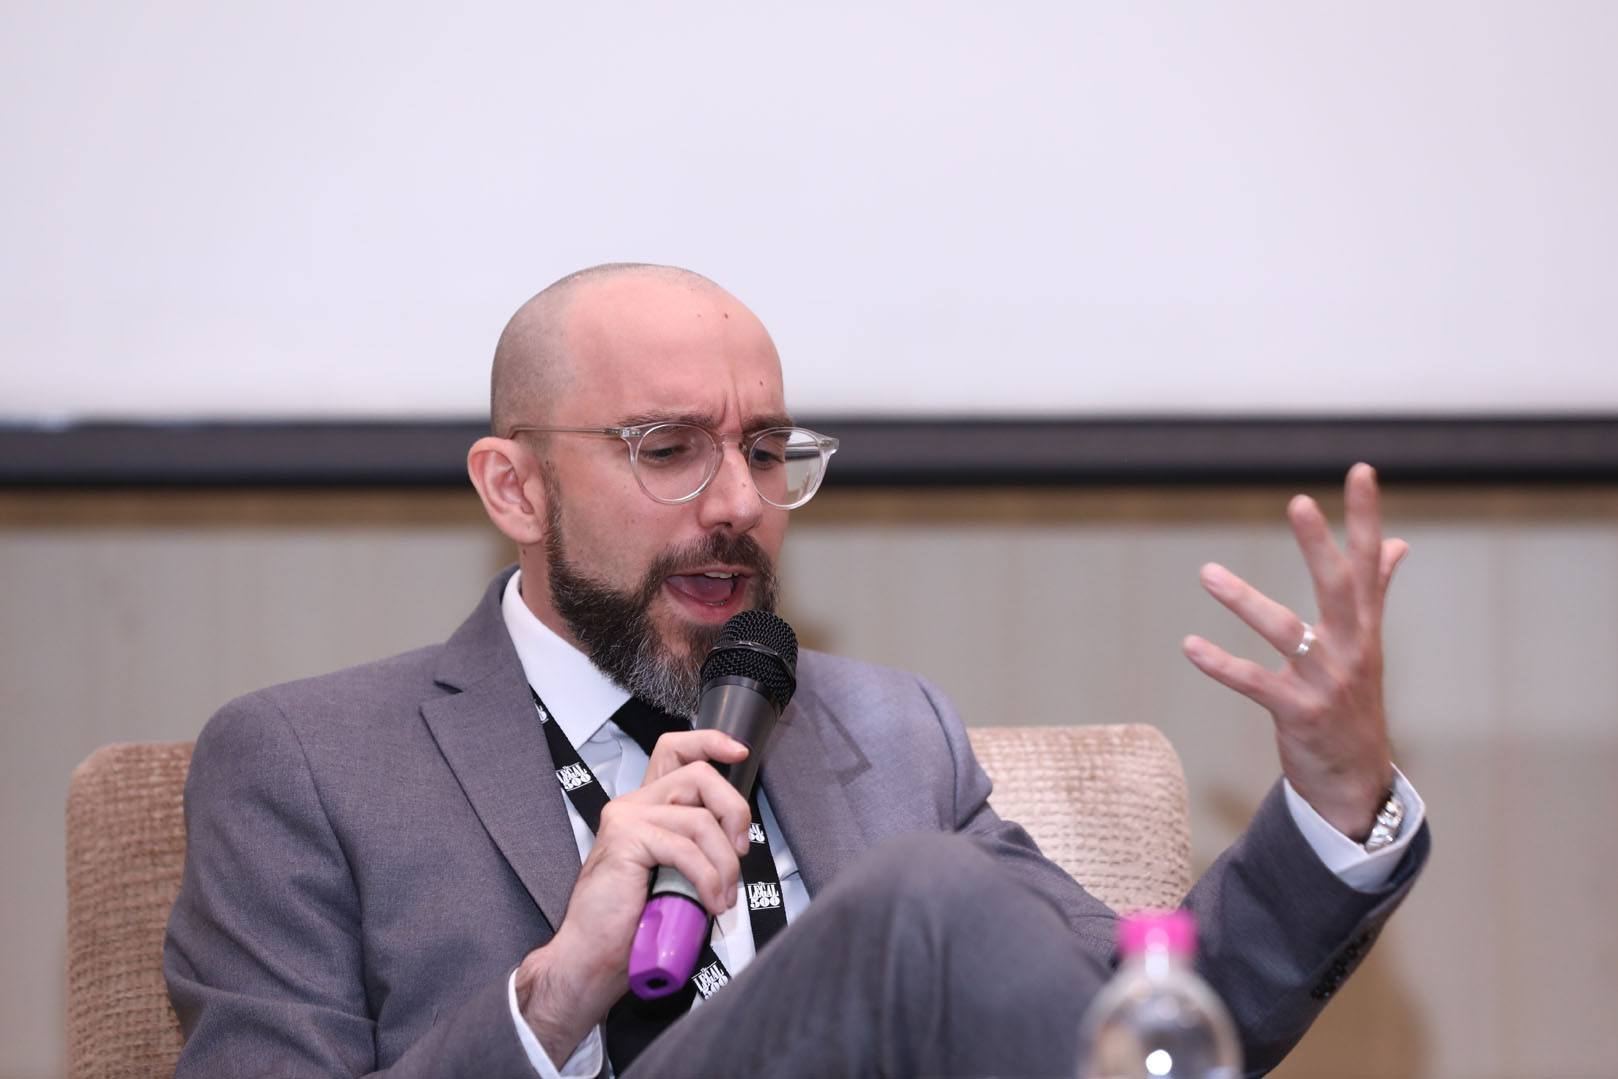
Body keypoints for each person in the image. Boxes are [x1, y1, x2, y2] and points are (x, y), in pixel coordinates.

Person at [165, 263, 1429, 1078]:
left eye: (765, 451)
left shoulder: (890, 728)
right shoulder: (308, 763)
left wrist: (1336, 798)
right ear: (515, 487)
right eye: (667, 449)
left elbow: (1130, 1032)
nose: (736, 503)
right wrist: (552, 996)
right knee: (921, 897)